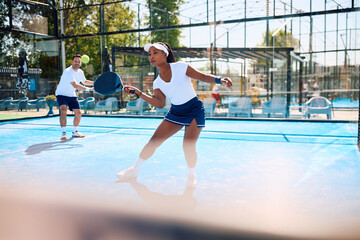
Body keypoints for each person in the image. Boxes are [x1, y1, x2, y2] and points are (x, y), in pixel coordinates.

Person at [117, 42, 232, 188]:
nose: (151, 56)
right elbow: (159, 103)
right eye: (149, 54)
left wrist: (219, 79)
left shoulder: (180, 67)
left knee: (188, 146)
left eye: (155, 52)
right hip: (176, 112)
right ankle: (134, 170)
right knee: (154, 141)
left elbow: (202, 76)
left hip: (194, 109)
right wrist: (139, 93)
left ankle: (191, 175)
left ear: (165, 54)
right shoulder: (157, 82)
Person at [55, 54, 94, 141]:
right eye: (75, 61)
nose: (77, 63)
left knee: (78, 113)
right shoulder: (68, 71)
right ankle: (63, 133)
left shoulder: (80, 72)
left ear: (81, 63)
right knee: (63, 110)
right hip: (61, 93)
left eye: (78, 62)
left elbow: (85, 82)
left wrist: (96, 83)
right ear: (72, 62)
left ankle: (75, 131)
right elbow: (75, 85)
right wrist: (89, 90)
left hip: (71, 94)